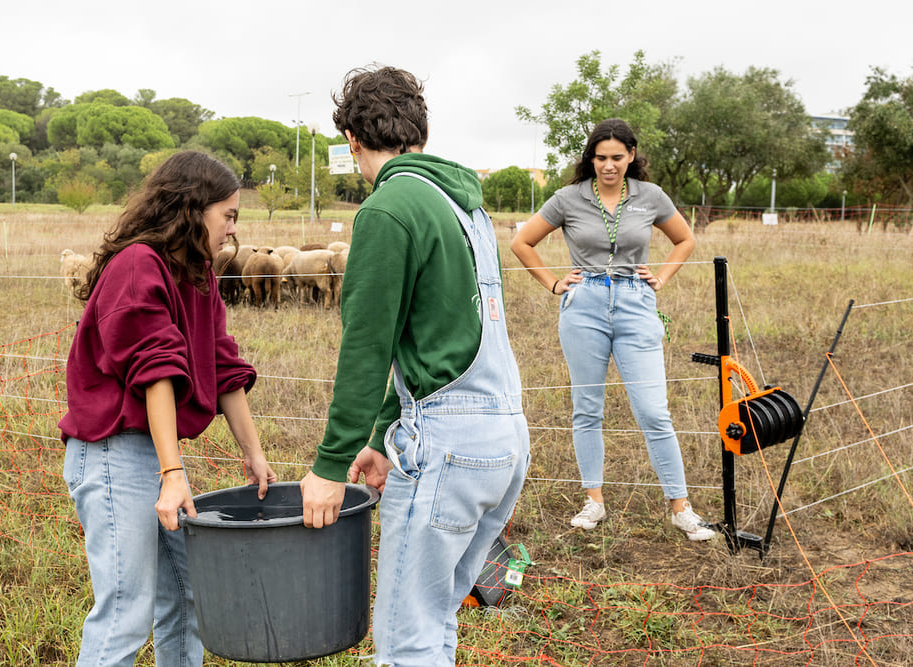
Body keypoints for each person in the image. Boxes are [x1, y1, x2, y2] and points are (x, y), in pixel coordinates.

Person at [300, 66, 530, 666]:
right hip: (502, 436)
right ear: (420, 132)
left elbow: (368, 346)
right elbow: (428, 335)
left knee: (405, 640)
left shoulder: (389, 207)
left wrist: (330, 465)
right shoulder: (465, 206)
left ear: (352, 140)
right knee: (435, 621)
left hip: (448, 445)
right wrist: (380, 434)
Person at [58, 150, 278, 666]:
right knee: (125, 612)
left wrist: (254, 452)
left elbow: (223, 365)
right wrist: (172, 471)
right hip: (115, 454)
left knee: (187, 595)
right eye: (228, 215)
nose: (231, 230)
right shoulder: (139, 264)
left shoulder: (196, 273)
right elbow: (156, 371)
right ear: (191, 207)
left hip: (151, 456)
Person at [510, 118, 715, 542]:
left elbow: (685, 240)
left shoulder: (650, 196)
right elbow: (521, 242)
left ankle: (681, 508)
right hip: (583, 307)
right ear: (591, 158)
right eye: (600, 158)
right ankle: (594, 502)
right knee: (588, 409)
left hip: (636, 305)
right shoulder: (568, 198)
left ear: (631, 156)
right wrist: (553, 282)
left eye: (617, 157)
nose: (608, 165)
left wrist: (662, 275)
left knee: (654, 411)